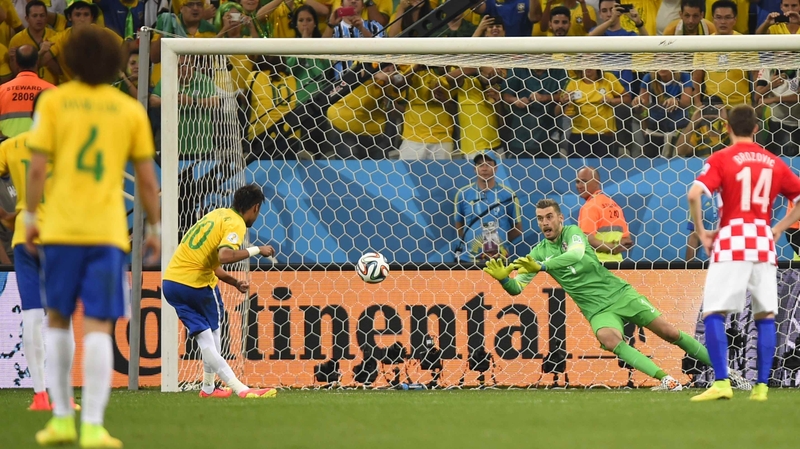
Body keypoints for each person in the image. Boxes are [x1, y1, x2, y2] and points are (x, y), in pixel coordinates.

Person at [24, 26, 161, 447]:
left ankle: (62, 418)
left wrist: (30, 216)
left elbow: (36, 168)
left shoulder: (54, 101)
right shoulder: (129, 110)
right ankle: (95, 427)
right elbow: (145, 180)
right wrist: (154, 227)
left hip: (61, 229)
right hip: (106, 232)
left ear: (70, 61)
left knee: (59, 320)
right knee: (99, 326)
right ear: (116, 63)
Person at [484, 198, 751, 391]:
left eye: (549, 217)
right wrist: (504, 280)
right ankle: (667, 381)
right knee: (609, 338)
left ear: (560, 218)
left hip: (619, 294)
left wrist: (543, 266)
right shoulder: (538, 252)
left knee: (669, 332)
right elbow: (517, 288)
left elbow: (575, 255)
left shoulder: (574, 234)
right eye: (540, 218)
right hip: (597, 310)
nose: (545, 223)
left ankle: (728, 374)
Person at [688, 104, 800, 402]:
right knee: (765, 315)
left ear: (726, 128)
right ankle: (761, 389)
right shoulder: (773, 161)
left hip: (733, 237)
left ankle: (723, 382)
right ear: (756, 129)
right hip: (764, 240)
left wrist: (701, 232)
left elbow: (694, 193)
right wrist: (779, 228)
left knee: (714, 312)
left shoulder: (722, 158)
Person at [162, 184, 278, 400]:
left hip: (172, 283)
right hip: (196, 285)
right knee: (211, 338)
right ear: (255, 207)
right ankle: (241, 388)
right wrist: (257, 250)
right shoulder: (236, 223)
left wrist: (233, 281)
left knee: (203, 337)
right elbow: (224, 256)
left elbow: (210, 260)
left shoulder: (216, 215)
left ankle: (208, 388)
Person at [454, 152, 522, 263]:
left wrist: (500, 241)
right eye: (480, 165)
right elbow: (459, 225)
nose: (484, 168)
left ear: (495, 168)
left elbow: (517, 228)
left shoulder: (508, 194)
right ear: (474, 169)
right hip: (469, 260)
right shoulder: (463, 194)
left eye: (488, 164)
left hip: (500, 259)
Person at [576, 167, 633, 262]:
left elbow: (588, 241)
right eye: (577, 182)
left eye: (584, 181)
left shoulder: (590, 207)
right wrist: (615, 247)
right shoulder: (615, 205)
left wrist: (612, 248)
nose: (579, 186)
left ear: (597, 181)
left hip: (596, 265)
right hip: (617, 264)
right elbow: (627, 240)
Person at [0, 45, 54, 138]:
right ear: (37, 62)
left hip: (8, 149)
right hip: (40, 148)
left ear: (16, 63)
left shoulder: (2, 90)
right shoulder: (52, 91)